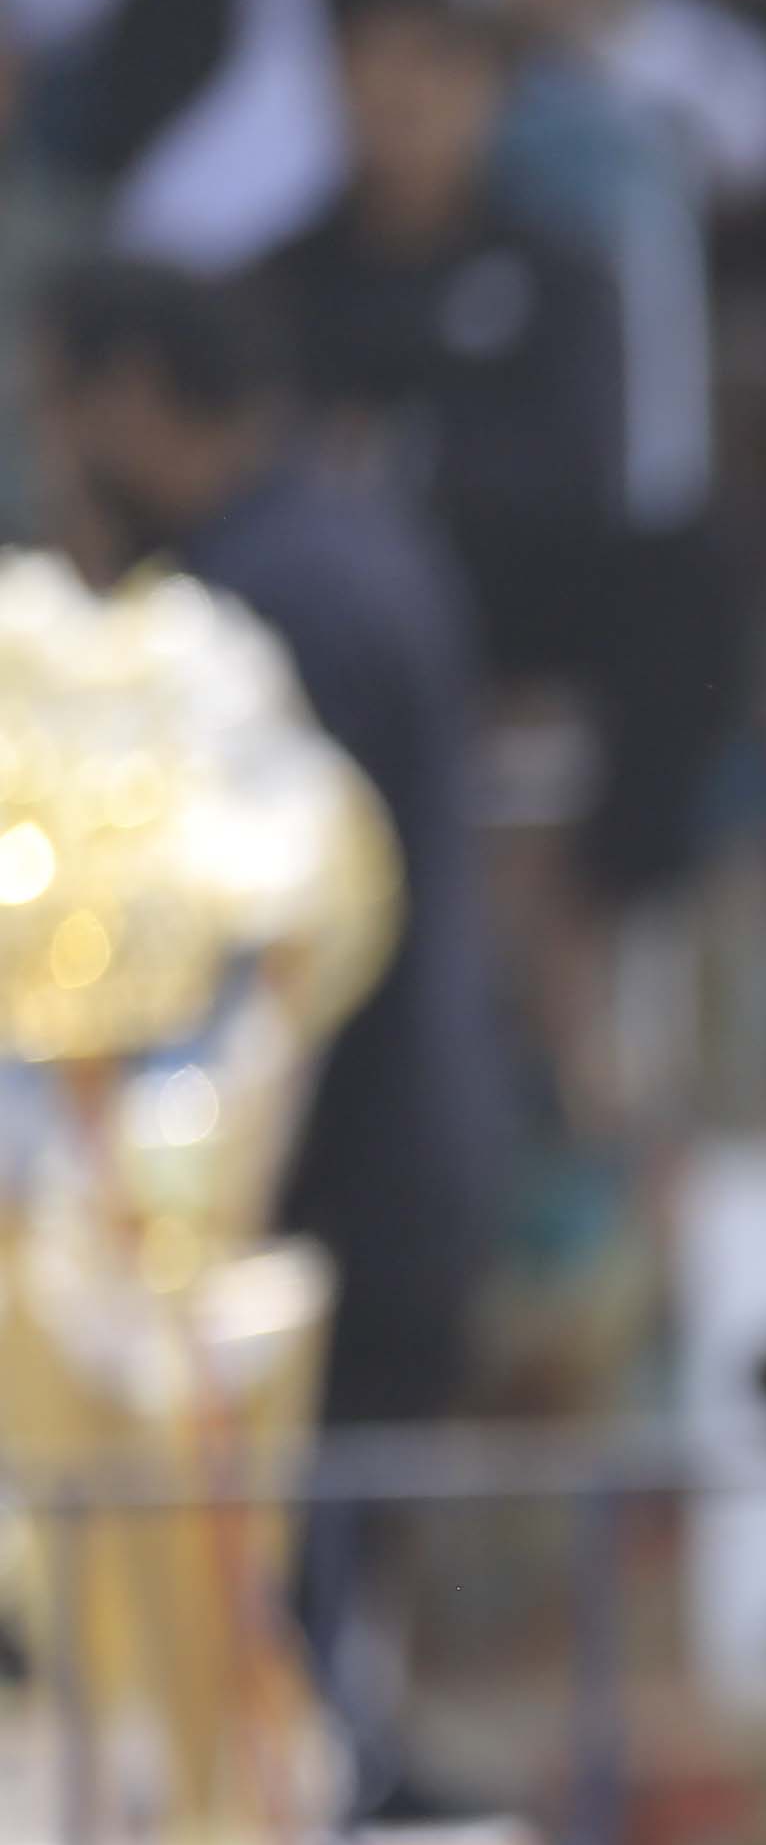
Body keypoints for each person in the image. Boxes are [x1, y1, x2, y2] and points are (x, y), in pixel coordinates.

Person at [27, 249, 505, 1429]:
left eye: (52, 414)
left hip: (320, 1206)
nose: (47, 461)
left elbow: (247, 949)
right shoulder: (341, 542)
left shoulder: (258, 613)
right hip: (391, 1174)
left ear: (129, 395)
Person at [263, 0, 736, 921]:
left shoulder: (558, 271)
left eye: (435, 62)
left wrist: (405, 455)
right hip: (349, 606)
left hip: (509, 588)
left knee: (695, 570)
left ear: (491, 88)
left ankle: (603, 899)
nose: (403, 95)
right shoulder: (284, 280)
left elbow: (581, 469)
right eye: (374, 60)